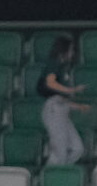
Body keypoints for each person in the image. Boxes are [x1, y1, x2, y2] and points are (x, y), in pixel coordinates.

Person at [37, 38, 90, 166]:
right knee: (60, 150)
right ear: (64, 51)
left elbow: (61, 98)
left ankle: (59, 172)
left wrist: (78, 106)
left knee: (77, 149)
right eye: (71, 50)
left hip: (61, 107)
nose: (72, 54)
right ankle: (50, 177)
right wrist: (70, 89)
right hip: (53, 109)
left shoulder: (62, 67)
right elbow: (50, 83)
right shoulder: (54, 63)